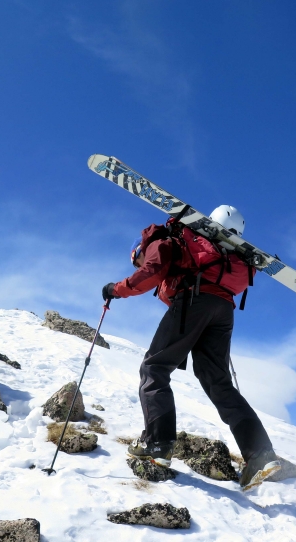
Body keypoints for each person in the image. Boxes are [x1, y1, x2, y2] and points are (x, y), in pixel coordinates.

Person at [102, 205, 281, 490]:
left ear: (137, 250)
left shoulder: (163, 240)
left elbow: (151, 271)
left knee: (155, 368)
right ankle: (260, 454)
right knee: (219, 383)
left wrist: (116, 289)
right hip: (224, 308)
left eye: (136, 258)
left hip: (194, 299)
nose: (137, 262)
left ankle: (157, 444)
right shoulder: (227, 253)